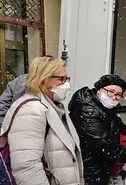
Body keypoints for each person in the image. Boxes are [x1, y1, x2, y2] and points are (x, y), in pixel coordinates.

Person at [1, 56, 84, 185]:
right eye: (61, 79)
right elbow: (27, 168)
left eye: (67, 78)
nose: (66, 83)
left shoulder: (54, 107)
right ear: (43, 80)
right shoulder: (31, 110)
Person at [68, 74, 126, 184]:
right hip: (87, 169)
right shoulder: (87, 110)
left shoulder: (105, 108)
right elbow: (103, 145)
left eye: (119, 94)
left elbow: (118, 126)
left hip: (100, 167)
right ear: (99, 89)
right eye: (111, 91)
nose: (114, 97)